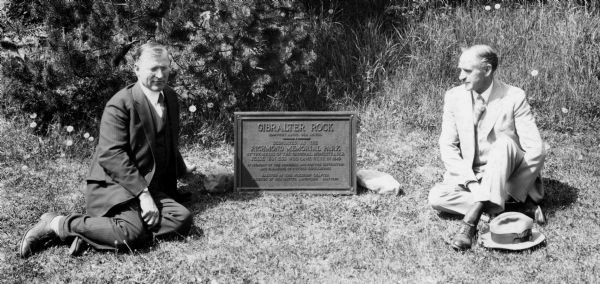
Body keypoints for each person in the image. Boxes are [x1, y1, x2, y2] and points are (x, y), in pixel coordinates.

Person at [20, 42, 197, 258]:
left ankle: (96, 232)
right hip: (114, 184)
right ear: (137, 69)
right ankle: (58, 223)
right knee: (130, 234)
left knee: (182, 218)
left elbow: (167, 141)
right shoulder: (120, 104)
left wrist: (184, 169)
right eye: (153, 68)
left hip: (148, 181)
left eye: (165, 67)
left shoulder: (169, 96)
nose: (160, 74)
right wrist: (144, 195)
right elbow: (112, 156)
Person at [428, 45, 546, 250]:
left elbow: (536, 149)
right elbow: (447, 146)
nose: (460, 76)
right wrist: (472, 184)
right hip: (475, 176)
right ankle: (510, 207)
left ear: (488, 70)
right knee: (436, 197)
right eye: (460, 70)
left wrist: (510, 188)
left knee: (503, 144)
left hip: (509, 172)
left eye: (467, 71)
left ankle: (471, 222)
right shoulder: (454, 97)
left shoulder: (514, 96)